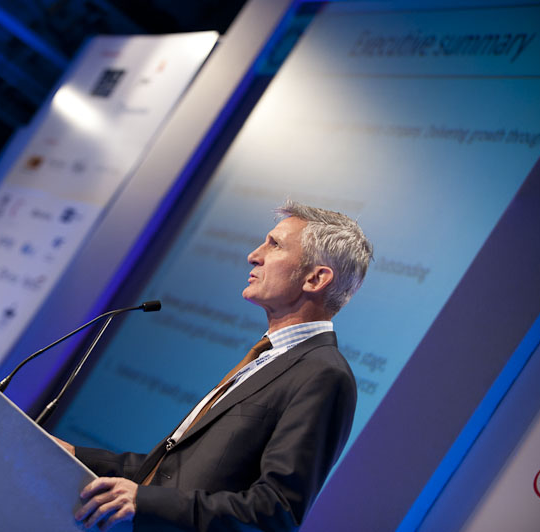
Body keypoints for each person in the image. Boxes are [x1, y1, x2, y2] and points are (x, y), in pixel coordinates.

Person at [53, 200, 373, 531]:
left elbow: (274, 512)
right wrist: (74, 455)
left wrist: (146, 502)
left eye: (275, 245)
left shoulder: (323, 374)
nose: (254, 255)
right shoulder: (266, 357)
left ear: (316, 278)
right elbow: (175, 474)